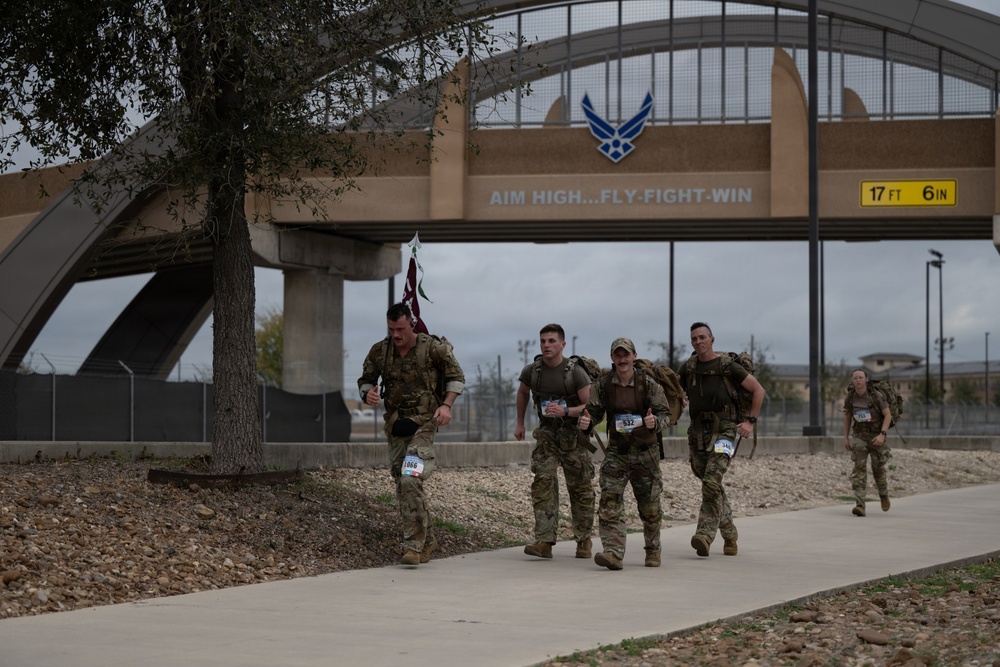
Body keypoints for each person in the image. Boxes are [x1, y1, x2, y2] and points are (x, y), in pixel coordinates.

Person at [357, 302, 465, 566]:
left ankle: (413, 547)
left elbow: (456, 377)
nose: (396, 334)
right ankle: (427, 541)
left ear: (411, 324)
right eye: (392, 328)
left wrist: (447, 405)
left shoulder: (433, 348)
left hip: (425, 424)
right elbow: (366, 379)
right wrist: (368, 393)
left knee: (410, 477)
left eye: (401, 329)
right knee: (404, 485)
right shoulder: (380, 351)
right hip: (396, 426)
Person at [579, 337, 671, 570]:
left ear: (633, 356)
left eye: (626, 355)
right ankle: (613, 552)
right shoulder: (603, 385)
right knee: (609, 500)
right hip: (617, 452)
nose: (622, 359)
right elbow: (595, 413)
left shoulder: (648, 384)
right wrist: (587, 423)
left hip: (645, 452)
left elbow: (666, 415)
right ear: (612, 358)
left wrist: (654, 423)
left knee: (649, 506)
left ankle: (653, 549)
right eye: (617, 355)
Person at [678, 322, 764, 558]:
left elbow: (758, 390)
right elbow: (674, 390)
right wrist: (679, 399)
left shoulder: (728, 366)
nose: (698, 342)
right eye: (694, 338)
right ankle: (730, 533)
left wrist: (750, 421)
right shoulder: (689, 367)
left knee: (712, 481)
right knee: (708, 481)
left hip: (725, 430)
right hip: (697, 432)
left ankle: (704, 535)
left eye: (702, 337)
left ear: (712, 339)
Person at [514, 324, 596, 560]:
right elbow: (522, 392)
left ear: (562, 344)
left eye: (551, 341)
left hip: (573, 436)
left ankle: (584, 540)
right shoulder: (533, 370)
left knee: (580, 488)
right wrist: (520, 423)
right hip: (548, 434)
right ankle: (544, 541)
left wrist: (566, 411)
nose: (546, 345)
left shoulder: (575, 372)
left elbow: (590, 406)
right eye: (543, 341)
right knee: (543, 482)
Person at [842, 368, 893, 517]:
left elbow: (888, 415)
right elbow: (847, 417)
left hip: (876, 436)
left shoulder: (876, 396)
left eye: (860, 377)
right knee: (859, 469)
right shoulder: (850, 397)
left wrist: (882, 435)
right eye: (855, 378)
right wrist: (846, 437)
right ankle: (860, 505)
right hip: (860, 436)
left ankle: (883, 495)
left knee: (878, 469)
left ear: (866, 379)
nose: (858, 380)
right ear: (852, 381)